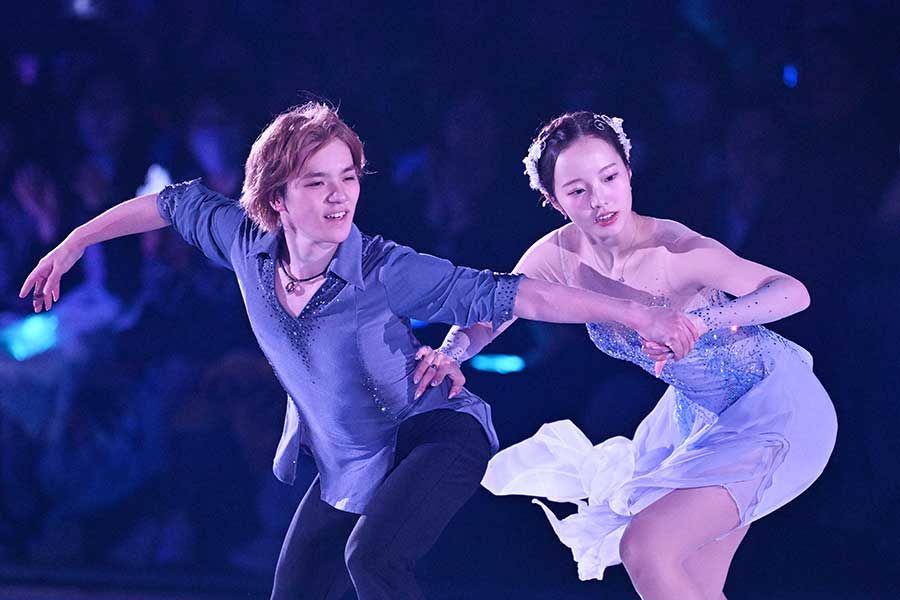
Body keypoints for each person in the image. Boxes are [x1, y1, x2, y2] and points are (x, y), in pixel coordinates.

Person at [19, 102, 698, 600]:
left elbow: (522, 296)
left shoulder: (380, 266)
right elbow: (168, 204)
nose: (340, 194)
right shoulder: (243, 244)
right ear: (276, 196)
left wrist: (638, 311)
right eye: (317, 182)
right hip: (351, 460)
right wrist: (72, 243)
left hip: (435, 430)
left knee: (371, 560)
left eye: (347, 176)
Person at [415, 111, 837, 600]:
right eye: (577, 191)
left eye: (610, 178)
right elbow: (492, 314)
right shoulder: (557, 257)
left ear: (628, 172)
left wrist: (702, 322)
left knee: (646, 548)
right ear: (553, 200)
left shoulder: (675, 250)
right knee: (694, 583)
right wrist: (452, 353)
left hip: (774, 409)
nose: (599, 200)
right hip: (705, 422)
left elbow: (792, 292)